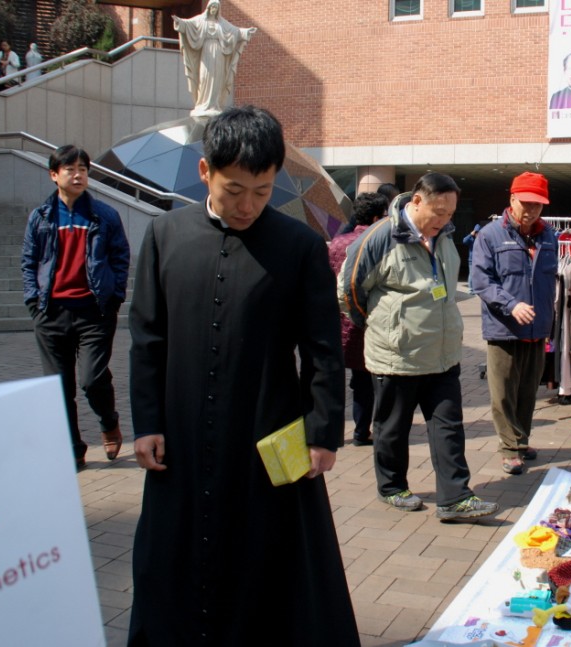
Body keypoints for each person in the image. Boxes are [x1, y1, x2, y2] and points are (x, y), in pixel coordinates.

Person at [128, 106, 359, 644]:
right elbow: (147, 339)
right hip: (181, 436)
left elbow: (322, 348)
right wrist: (147, 423)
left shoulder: (299, 246)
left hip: (267, 432)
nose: (248, 205)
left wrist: (322, 432)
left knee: (273, 563)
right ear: (205, 172)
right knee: (174, 556)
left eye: (262, 191)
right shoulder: (164, 235)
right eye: (234, 190)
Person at [338, 172, 499, 521]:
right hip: (396, 355)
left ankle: (455, 497)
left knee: (449, 426)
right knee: (393, 428)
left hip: (442, 353)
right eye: (438, 212)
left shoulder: (445, 236)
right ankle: (392, 487)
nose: (444, 220)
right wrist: (382, 325)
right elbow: (349, 291)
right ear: (416, 201)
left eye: (450, 213)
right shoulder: (380, 237)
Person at [21, 145, 130, 471]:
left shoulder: (104, 216)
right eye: (70, 169)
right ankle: (73, 449)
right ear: (54, 175)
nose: (78, 174)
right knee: (59, 388)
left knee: (92, 379)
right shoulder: (41, 218)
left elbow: (120, 258)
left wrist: (114, 298)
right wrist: (33, 302)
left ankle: (109, 421)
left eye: (83, 169)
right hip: (51, 313)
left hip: (94, 312)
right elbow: (29, 262)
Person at [470, 172, 558, 475]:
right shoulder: (490, 235)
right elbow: (481, 281)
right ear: (512, 200)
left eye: (538, 204)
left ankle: (521, 440)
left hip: (537, 328)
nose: (531, 210)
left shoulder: (549, 235)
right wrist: (511, 305)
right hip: (504, 328)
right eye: (526, 203)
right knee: (504, 393)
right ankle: (509, 449)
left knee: (528, 391)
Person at [327, 191, 388, 446]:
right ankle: (362, 431)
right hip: (364, 325)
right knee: (364, 382)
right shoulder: (377, 244)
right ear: (376, 218)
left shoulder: (336, 242)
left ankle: (330, 433)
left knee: (333, 381)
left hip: (335, 325)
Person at [173, 0, 256, 117]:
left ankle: (214, 104)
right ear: (208, 8)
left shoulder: (222, 24)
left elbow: (235, 31)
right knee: (204, 76)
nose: (214, 9)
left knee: (217, 78)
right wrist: (179, 22)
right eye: (212, 7)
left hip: (219, 53)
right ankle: (203, 103)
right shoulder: (201, 20)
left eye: (216, 8)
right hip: (206, 52)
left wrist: (246, 32)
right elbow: (188, 24)